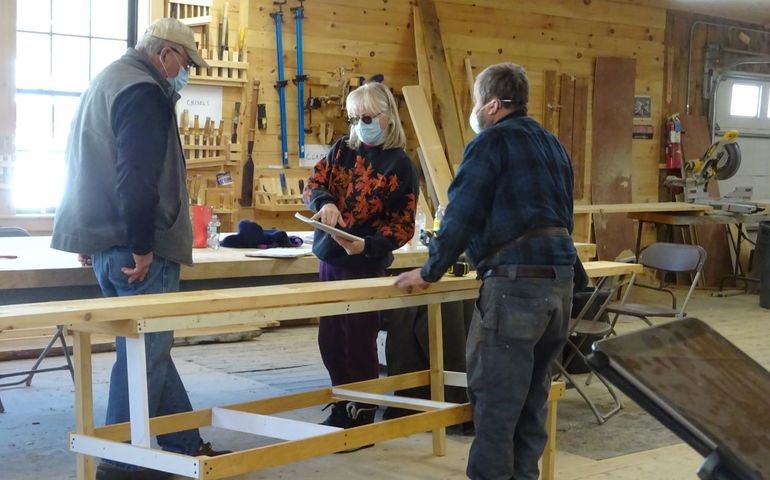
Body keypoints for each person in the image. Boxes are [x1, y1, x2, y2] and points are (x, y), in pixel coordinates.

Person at [51, 18, 227, 480]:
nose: (183, 73)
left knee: (150, 350)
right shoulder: (143, 91)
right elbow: (136, 177)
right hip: (137, 252)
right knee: (142, 357)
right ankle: (118, 459)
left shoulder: (105, 80)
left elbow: (81, 165)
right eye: (184, 63)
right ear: (164, 53)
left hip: (105, 245)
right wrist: (142, 245)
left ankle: (185, 444)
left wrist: (86, 236)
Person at [394, 62, 576, 480]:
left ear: (492, 105)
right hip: (558, 286)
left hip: (515, 290)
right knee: (531, 403)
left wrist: (430, 270)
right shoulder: (552, 144)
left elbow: (462, 213)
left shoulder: (491, 143)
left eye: (476, 101)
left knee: (495, 406)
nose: (475, 110)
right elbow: (562, 215)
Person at [303, 81, 419, 432]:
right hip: (330, 257)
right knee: (330, 338)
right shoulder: (343, 149)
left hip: (364, 264)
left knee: (358, 340)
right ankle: (343, 399)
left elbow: (402, 226)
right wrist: (324, 203)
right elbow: (313, 183)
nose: (359, 125)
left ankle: (363, 409)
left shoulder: (401, 165)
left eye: (366, 117)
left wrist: (367, 245)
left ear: (387, 118)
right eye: (353, 118)